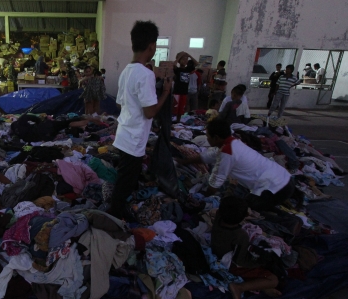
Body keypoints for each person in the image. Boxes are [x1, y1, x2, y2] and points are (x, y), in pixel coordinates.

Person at [109, 20, 172, 220]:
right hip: (135, 137)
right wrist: (166, 93)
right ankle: (116, 212)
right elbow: (150, 113)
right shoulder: (146, 75)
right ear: (152, 45)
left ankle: (119, 205)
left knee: (126, 174)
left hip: (124, 134)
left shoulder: (126, 71)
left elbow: (120, 105)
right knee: (126, 179)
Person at [178, 119, 294, 212]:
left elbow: (216, 181)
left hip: (275, 187)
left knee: (243, 211)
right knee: (254, 205)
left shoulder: (227, 152)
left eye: (208, 137)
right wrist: (182, 162)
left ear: (216, 138)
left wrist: (203, 197)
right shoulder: (232, 142)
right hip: (283, 179)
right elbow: (206, 157)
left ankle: (289, 221)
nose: (207, 139)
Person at [211, 196, 282, 299]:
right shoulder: (240, 235)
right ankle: (239, 287)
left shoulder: (219, 217)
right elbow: (240, 261)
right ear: (244, 216)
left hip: (218, 249)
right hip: (230, 265)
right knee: (274, 279)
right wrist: (258, 261)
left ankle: (258, 285)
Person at [172, 51, 198, 121]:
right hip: (177, 92)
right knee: (175, 108)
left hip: (184, 92)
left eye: (186, 59)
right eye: (183, 59)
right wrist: (180, 56)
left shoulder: (188, 69)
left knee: (181, 109)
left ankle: (178, 121)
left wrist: (189, 55)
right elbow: (173, 64)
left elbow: (197, 63)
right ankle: (173, 120)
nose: (185, 60)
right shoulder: (177, 70)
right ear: (179, 60)